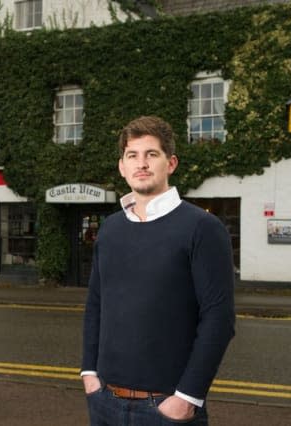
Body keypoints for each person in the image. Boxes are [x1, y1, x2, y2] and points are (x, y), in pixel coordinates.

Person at [80, 116, 236, 425]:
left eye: (152, 154)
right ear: (122, 166)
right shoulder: (110, 229)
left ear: (171, 163)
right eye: (132, 155)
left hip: (167, 409)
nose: (142, 163)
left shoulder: (202, 227)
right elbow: (96, 304)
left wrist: (187, 398)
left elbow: (219, 318)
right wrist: (89, 374)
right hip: (104, 403)